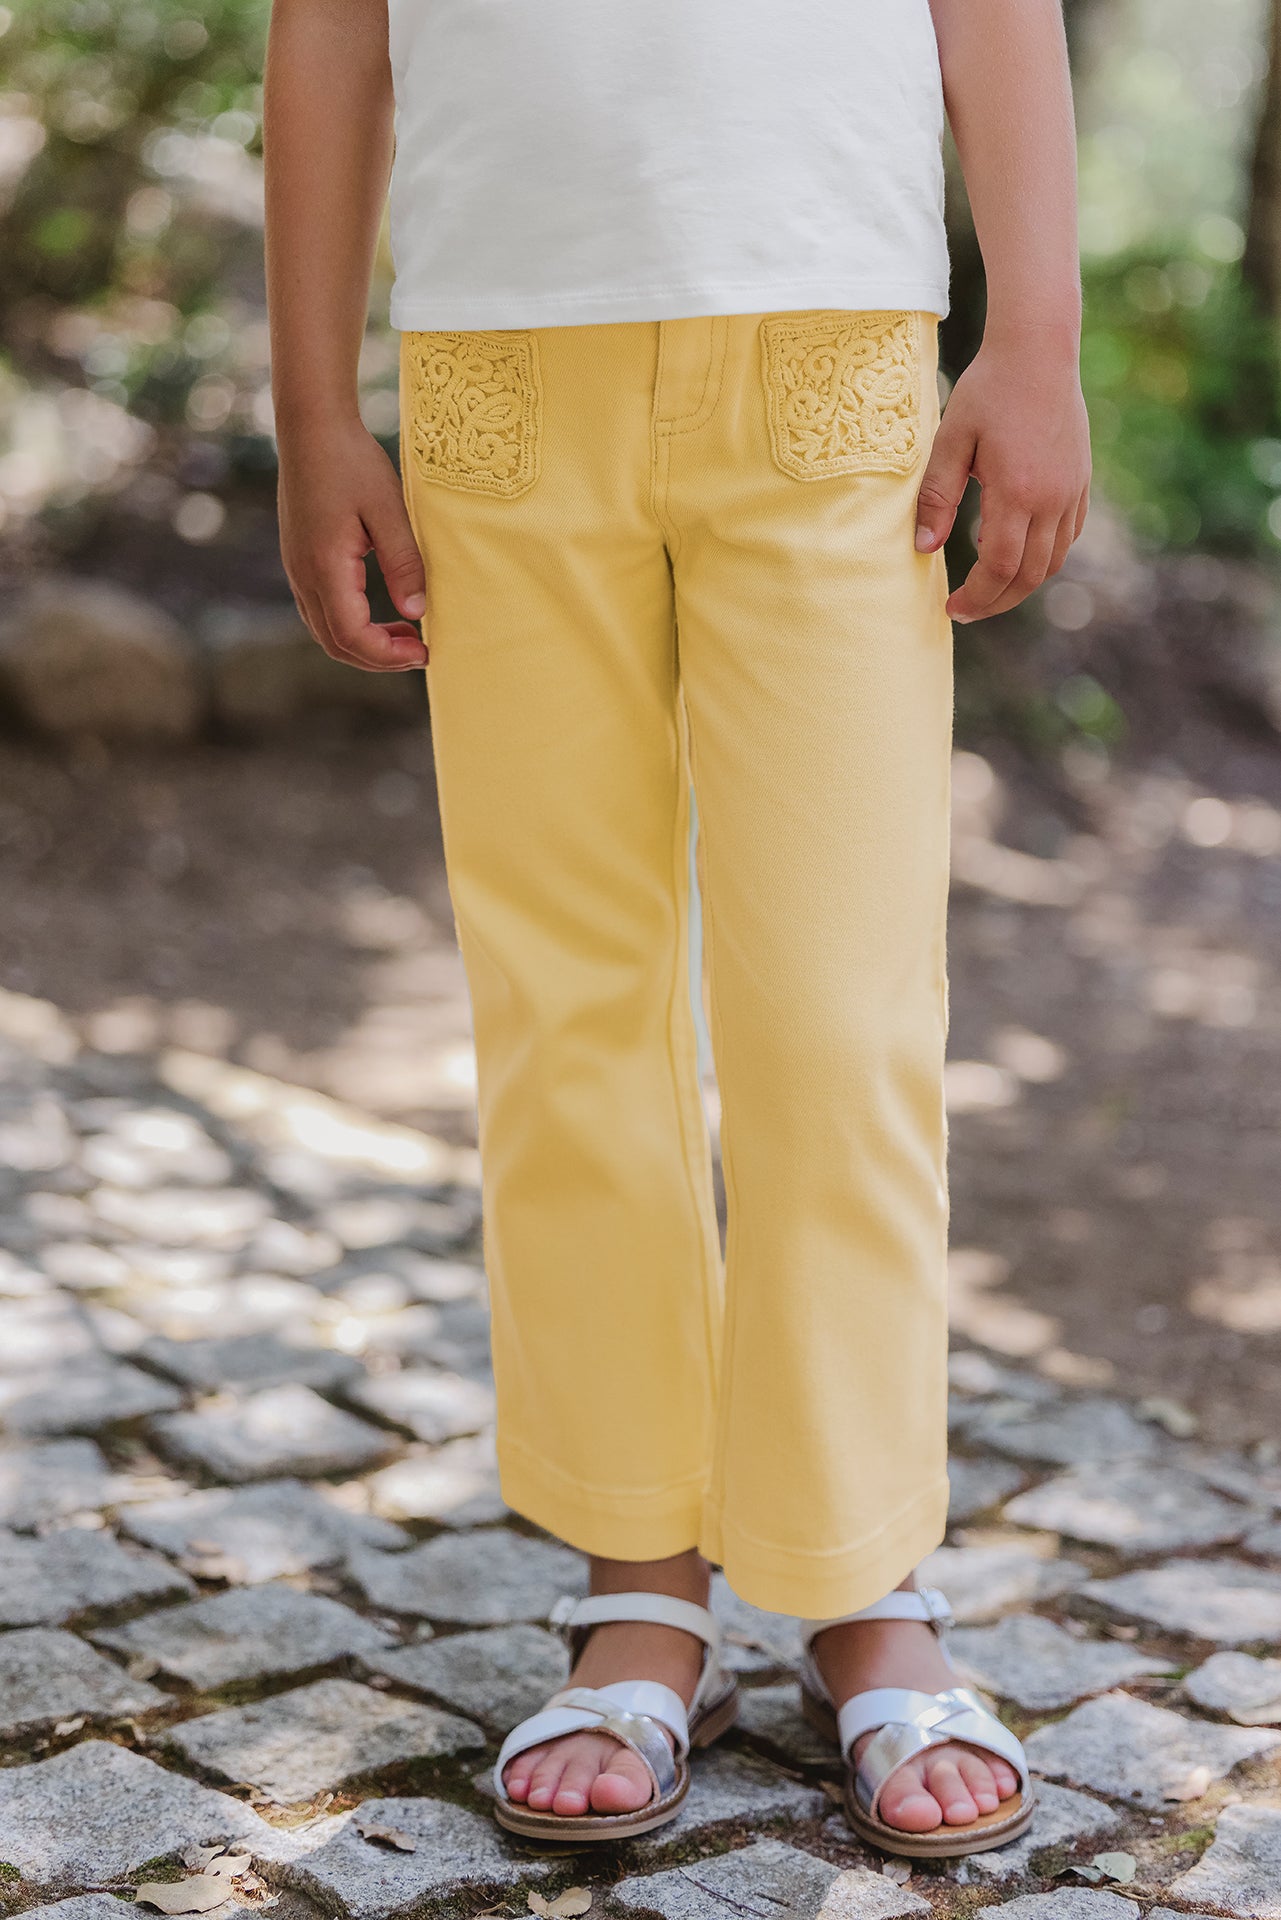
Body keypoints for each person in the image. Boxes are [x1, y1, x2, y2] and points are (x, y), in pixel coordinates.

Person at [263, 0, 1091, 1859]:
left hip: (827, 343)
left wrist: (1031, 336)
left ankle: (861, 1576)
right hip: (494, 368)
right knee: (567, 1015)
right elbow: (325, 29)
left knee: (836, 1015)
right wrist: (314, 415)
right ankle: (640, 1577)